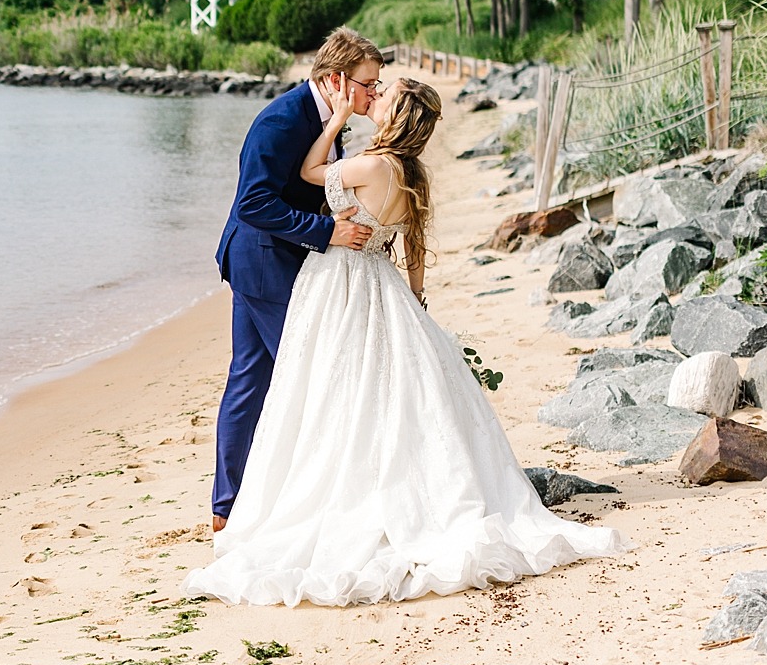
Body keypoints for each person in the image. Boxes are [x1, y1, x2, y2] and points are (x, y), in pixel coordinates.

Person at [185, 75, 629, 607]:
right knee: (388, 393)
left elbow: (307, 171)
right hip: (386, 286)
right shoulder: (414, 173)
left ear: (396, 117)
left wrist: (334, 120)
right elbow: (414, 244)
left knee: (331, 390)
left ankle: (331, 498)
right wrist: (415, 300)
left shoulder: (371, 165)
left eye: (383, 96)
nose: (373, 98)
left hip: (342, 282)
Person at [209, 27, 385, 533]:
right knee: (310, 373)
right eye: (368, 84)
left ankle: (230, 504)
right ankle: (259, 502)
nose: (374, 92)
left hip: (277, 259)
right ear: (336, 79)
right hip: (263, 263)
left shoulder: (328, 118)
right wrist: (328, 231)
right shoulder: (283, 121)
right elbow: (254, 203)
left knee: (252, 378)